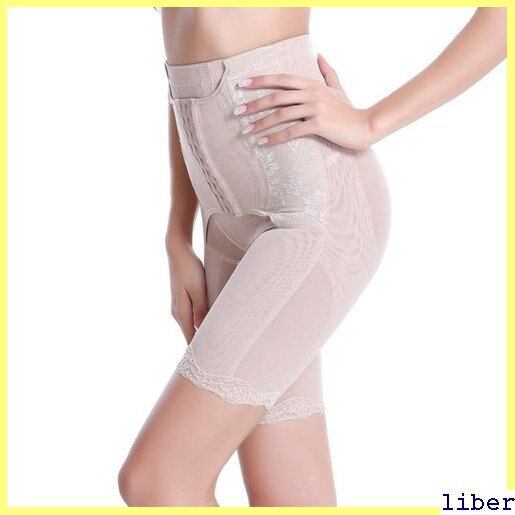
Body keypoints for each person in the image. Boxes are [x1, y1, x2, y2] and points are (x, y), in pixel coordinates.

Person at [118, 7, 506, 507]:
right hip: (226, 230)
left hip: (312, 212)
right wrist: (178, 234)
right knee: (288, 498)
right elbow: (185, 65)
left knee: (157, 479)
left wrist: (371, 121)